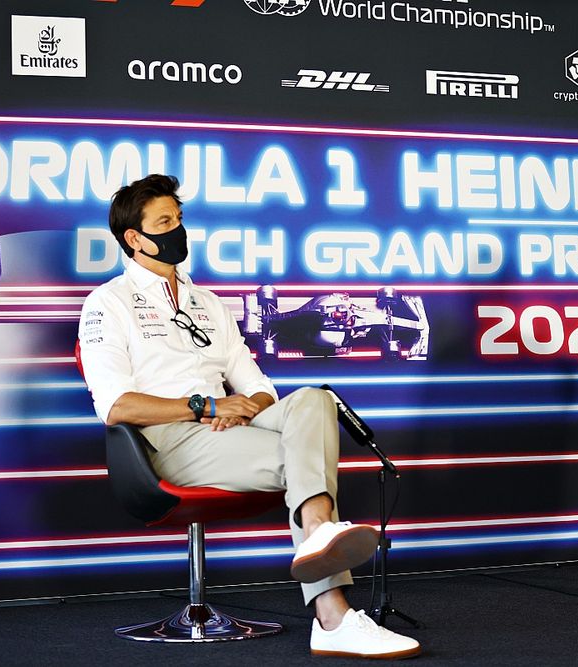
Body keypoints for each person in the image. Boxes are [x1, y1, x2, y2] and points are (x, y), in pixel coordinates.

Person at [78, 174, 421, 658]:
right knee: (306, 461)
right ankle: (332, 614)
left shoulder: (210, 303)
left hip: (231, 429)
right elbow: (115, 405)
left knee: (315, 399)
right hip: (166, 442)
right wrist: (207, 406)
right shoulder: (107, 303)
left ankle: (319, 535)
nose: (178, 230)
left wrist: (243, 409)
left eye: (179, 219)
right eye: (165, 222)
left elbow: (259, 386)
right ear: (134, 238)